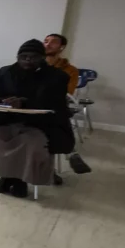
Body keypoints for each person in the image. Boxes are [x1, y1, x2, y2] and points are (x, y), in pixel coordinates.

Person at [0, 39, 75, 198]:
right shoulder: (6, 72)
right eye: (23, 56)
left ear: (42, 57)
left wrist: (25, 102)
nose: (27, 60)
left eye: (33, 57)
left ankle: (19, 180)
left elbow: (55, 102)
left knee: (30, 142)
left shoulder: (57, 76)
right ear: (17, 57)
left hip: (42, 124)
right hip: (6, 120)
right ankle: (7, 175)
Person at [44, 33, 92, 175]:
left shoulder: (70, 70)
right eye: (46, 41)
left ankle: (49, 168)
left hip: (55, 104)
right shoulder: (32, 64)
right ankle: (71, 153)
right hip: (33, 104)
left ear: (61, 47)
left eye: (53, 42)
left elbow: (66, 92)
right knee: (53, 120)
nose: (48, 44)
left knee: (55, 115)